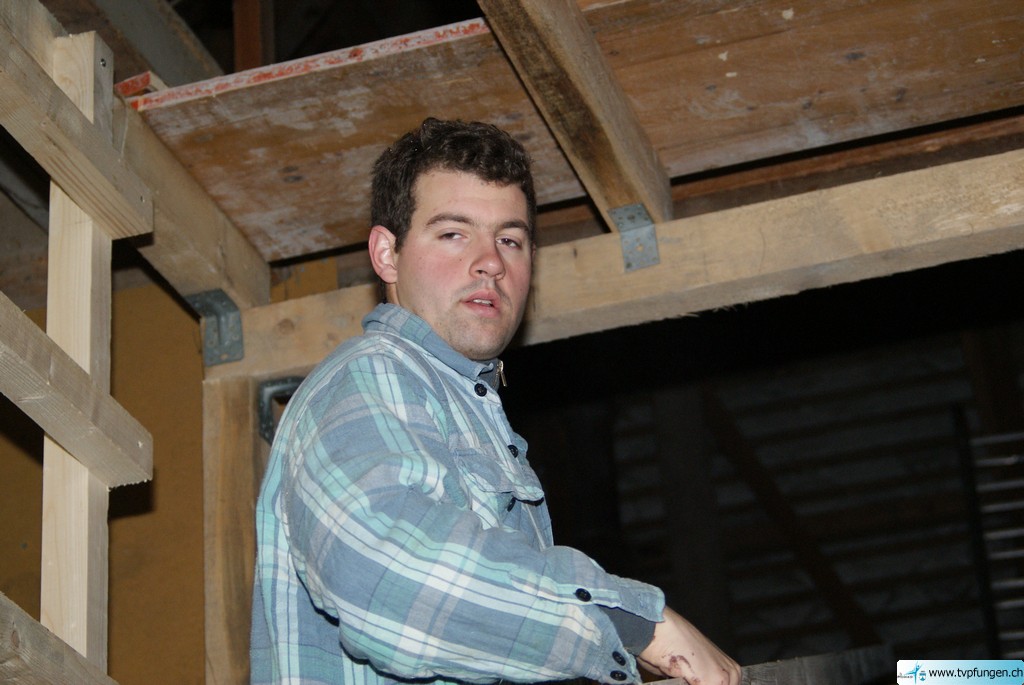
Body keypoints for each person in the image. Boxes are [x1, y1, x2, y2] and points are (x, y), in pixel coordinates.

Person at [250, 117, 741, 685]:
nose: (491, 262)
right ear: (386, 254)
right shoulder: (370, 375)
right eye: (453, 234)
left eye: (510, 239)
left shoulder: (466, 409)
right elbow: (385, 570)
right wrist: (636, 623)